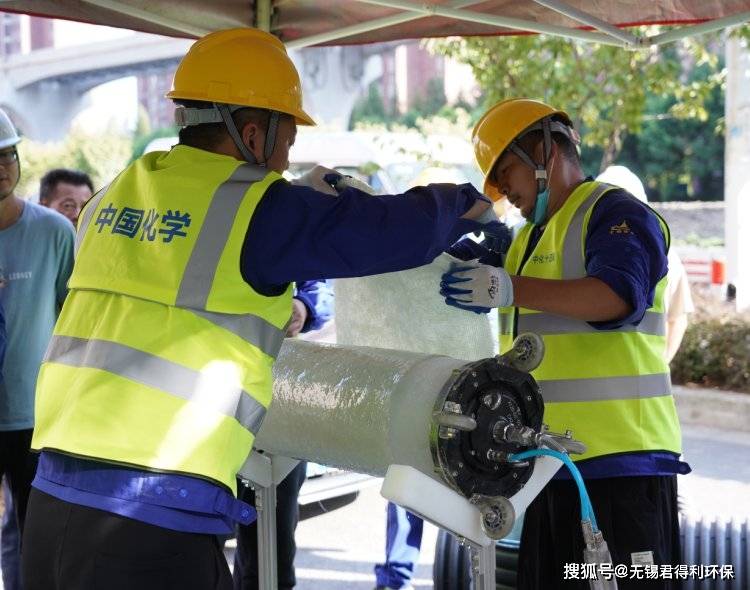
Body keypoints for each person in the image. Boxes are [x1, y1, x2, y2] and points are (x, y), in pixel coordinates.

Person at [21, 28, 490, 590]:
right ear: (251, 134)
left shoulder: (118, 191)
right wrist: (466, 204)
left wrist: (293, 192)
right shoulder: (258, 210)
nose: (286, 159)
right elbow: (385, 231)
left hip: (51, 504)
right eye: (287, 143)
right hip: (147, 518)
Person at [441, 98, 689, 589]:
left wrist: (508, 287)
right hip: (548, 470)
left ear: (544, 149)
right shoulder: (526, 239)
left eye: (504, 171)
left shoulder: (616, 213)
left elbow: (618, 297)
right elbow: (457, 258)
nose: (503, 190)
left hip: (622, 469)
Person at [0, 108, 75, 587]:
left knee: (38, 538)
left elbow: (73, 324)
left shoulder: (54, 232)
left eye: (7, 154)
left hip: (35, 417)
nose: (2, 166)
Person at [233, 280, 333, 590]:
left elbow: (322, 287)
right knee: (246, 549)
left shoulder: (289, 232)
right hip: (219, 399)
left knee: (269, 549)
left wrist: (304, 306)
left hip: (277, 408)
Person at [596, 165, 694, 362]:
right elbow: (678, 318)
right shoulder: (668, 254)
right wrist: (661, 365)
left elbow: (678, 319)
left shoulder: (669, 257)